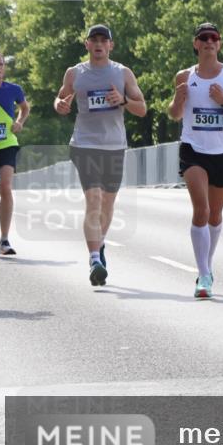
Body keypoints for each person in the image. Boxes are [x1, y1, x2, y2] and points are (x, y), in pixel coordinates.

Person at [167, 23, 223, 298]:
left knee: (215, 216)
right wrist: (177, 99)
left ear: (219, 44)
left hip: (221, 152)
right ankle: (203, 275)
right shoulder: (184, 76)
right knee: (202, 210)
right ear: (195, 44)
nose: (208, 42)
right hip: (193, 149)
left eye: (213, 38)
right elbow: (174, 115)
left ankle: (207, 265)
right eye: (203, 38)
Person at [54, 25, 147, 286]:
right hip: (84, 144)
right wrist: (60, 105)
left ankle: (100, 244)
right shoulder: (75, 73)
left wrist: (123, 101)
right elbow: (60, 98)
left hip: (114, 145)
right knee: (93, 200)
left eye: (103, 40)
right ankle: (95, 259)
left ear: (110, 46)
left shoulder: (122, 73)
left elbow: (142, 109)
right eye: (93, 40)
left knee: (107, 203)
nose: (98, 44)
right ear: (86, 44)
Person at [0, 50, 29, 256]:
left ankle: (4, 240)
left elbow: (24, 107)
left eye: (1, 64)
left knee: (5, 187)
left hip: (7, 144)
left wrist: (19, 122)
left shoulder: (14, 89)